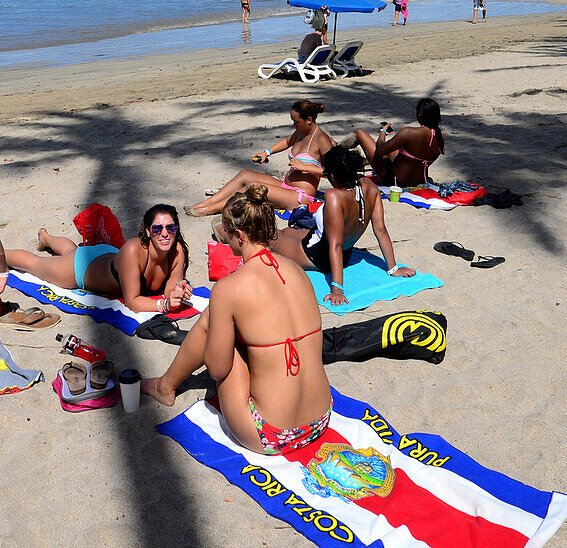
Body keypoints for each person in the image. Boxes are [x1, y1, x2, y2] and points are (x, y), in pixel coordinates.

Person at [142, 186, 331, 458]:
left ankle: (165, 386)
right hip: (321, 419)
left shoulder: (229, 288)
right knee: (238, 320)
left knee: (215, 316)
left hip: (272, 435)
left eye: (227, 233)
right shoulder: (298, 272)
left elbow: (218, 369)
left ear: (239, 236)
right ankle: (166, 384)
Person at [258, 146, 414, 308]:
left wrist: (337, 289)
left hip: (317, 256)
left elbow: (335, 244)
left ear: (332, 176)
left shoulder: (334, 196)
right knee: (289, 231)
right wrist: (393, 269)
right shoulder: (370, 188)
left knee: (267, 237)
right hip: (344, 254)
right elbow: (380, 230)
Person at [5, 206, 192, 314]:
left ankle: (46, 238)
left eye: (171, 228)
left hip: (107, 256)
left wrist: (177, 292)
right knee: (35, 264)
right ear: (148, 232)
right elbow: (133, 302)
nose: (165, 234)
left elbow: (170, 288)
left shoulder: (177, 251)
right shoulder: (134, 250)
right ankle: (2, 252)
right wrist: (164, 305)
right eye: (158, 229)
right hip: (81, 269)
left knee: (72, 249)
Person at [185, 100, 334, 217]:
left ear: (309, 119)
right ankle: (207, 202)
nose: (294, 125)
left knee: (253, 186)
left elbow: (334, 171)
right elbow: (288, 142)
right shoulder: (301, 132)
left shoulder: (321, 139)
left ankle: (210, 209)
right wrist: (266, 152)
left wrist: (305, 167)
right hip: (285, 186)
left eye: (296, 121)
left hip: (300, 196)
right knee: (245, 174)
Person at [342, 97, 444, 189]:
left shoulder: (409, 132)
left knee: (360, 134)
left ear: (419, 115)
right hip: (418, 181)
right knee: (395, 148)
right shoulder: (440, 136)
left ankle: (336, 148)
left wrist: (383, 132)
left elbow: (380, 149)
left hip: (395, 181)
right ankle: (363, 161)